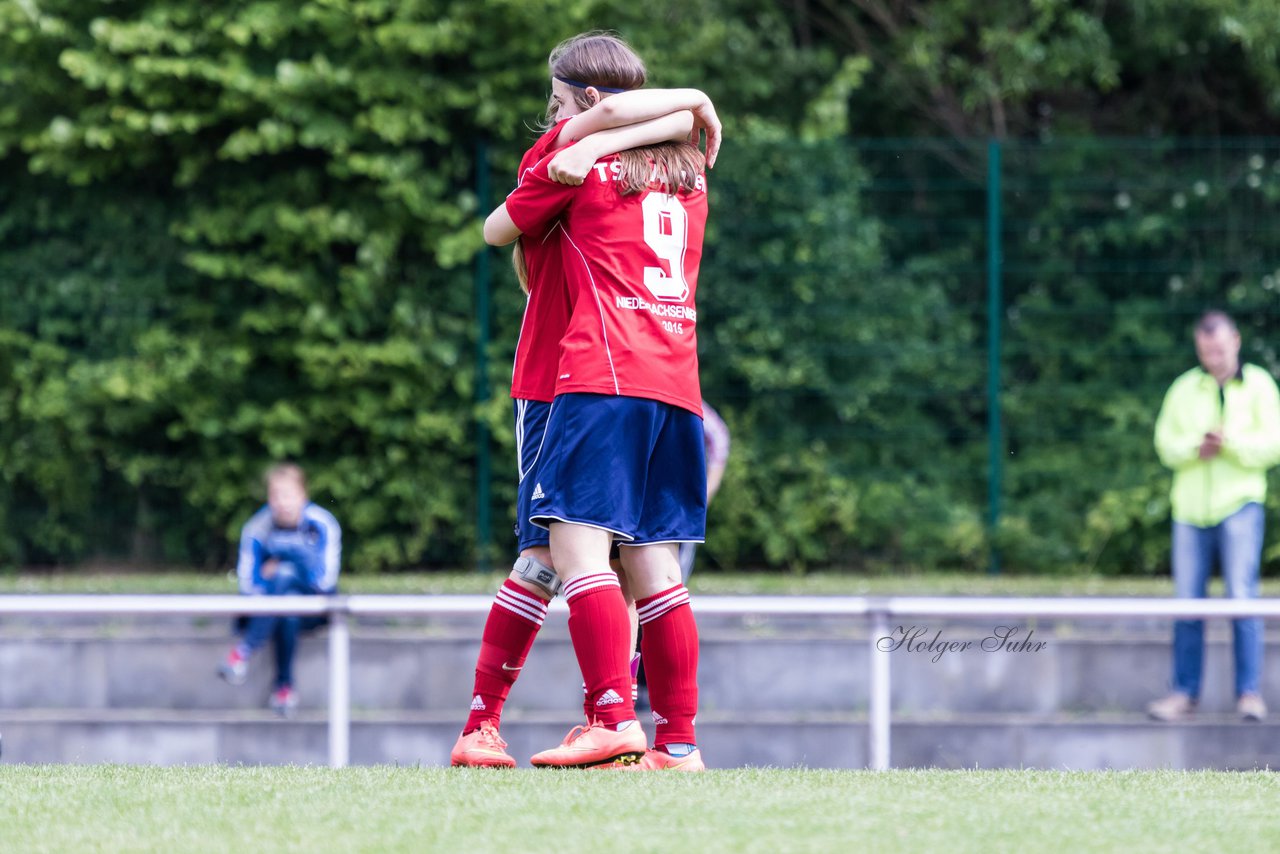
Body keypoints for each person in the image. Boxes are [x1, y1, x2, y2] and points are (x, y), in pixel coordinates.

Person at [450, 32, 721, 768]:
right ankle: (680, 742)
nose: (550, 120)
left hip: (591, 379)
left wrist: (586, 140)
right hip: (675, 385)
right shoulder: (691, 171)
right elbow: (678, 125)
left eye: (558, 104)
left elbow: (494, 228)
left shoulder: (570, 169)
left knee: (565, 550)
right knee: (652, 560)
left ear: (591, 103)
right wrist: (693, 102)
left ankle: (606, 714)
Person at [1147, 310, 1280, 722]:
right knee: (1187, 603)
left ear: (1236, 341)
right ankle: (1184, 693)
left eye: (1220, 349)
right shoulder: (1184, 388)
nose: (1214, 357)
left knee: (1243, 598)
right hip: (1190, 511)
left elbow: (1273, 445)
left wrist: (1230, 444)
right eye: (1206, 351)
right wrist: (1195, 449)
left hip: (1240, 505)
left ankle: (1248, 694)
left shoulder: (1260, 386)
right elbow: (1165, 444)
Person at [218, 463, 342, 717]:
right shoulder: (256, 527)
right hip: (274, 608)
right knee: (288, 607)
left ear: (303, 495)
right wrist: (274, 583)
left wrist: (288, 562)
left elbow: (325, 582)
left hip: (316, 610)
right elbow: (248, 586)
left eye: (289, 495)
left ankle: (243, 652)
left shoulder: (323, 524)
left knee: (285, 576)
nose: (283, 502)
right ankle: (284, 688)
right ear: (269, 498)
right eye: (277, 495)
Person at [677, 399, 730, 581]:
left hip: (680, 502)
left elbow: (719, 438)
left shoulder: (686, 399)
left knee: (671, 581)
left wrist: (705, 494)